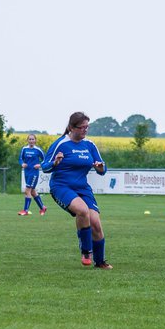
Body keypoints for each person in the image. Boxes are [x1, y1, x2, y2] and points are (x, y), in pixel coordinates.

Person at [42, 112, 111, 269]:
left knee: (96, 224)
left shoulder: (90, 145)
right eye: (82, 127)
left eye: (87, 127)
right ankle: (86, 251)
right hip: (61, 186)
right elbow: (45, 167)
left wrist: (100, 168)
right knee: (82, 211)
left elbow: (103, 168)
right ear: (71, 128)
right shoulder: (60, 144)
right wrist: (55, 162)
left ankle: (100, 262)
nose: (85, 130)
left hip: (82, 188)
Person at [17, 133, 47, 216]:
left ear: (35, 140)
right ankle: (42, 208)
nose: (31, 141)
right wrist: (22, 163)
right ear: (27, 140)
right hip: (27, 172)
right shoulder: (24, 149)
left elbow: (46, 159)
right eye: (29, 139)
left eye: (33, 139)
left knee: (27, 190)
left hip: (34, 173)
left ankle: (25, 210)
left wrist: (40, 165)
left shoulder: (38, 150)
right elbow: (20, 159)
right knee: (33, 192)